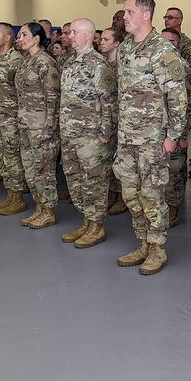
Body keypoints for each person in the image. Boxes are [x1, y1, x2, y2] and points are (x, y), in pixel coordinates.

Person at [114, 0, 188, 275]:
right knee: (130, 194)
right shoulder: (124, 49)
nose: (124, 17)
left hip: (153, 139)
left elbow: (177, 97)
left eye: (130, 12)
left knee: (152, 196)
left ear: (146, 14)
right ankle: (143, 242)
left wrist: (173, 135)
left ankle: (158, 249)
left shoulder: (163, 50)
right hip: (127, 138)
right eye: (123, 12)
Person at [58, 18, 116, 247]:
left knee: (94, 182)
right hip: (70, 134)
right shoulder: (70, 63)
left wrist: (105, 133)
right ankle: (87, 220)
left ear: (88, 36)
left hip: (91, 136)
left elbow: (109, 102)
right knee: (75, 179)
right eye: (70, 31)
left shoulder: (99, 66)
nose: (69, 35)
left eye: (74, 32)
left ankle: (97, 226)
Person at [15, 22, 61, 228]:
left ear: (36, 39)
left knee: (44, 171)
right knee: (30, 169)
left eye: (24, 35)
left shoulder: (45, 63)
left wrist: (49, 128)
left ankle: (48, 211)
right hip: (26, 124)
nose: (20, 38)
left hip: (41, 126)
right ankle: (39, 207)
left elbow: (53, 97)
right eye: (19, 35)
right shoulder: (27, 61)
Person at [0, 22, 28, 215]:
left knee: (12, 158)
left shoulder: (17, 61)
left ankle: (18, 198)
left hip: (11, 119)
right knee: (2, 158)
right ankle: (10, 195)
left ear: (7, 37)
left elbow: (23, 94)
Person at [161, 27, 191, 226]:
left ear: (177, 44)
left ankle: (173, 208)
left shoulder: (181, 66)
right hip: (158, 129)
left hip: (175, 129)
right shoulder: (157, 63)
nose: (165, 45)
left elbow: (186, 103)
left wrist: (181, 135)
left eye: (170, 41)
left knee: (174, 171)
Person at [99, 27, 127, 215]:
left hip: (119, 118)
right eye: (100, 39)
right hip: (105, 119)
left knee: (119, 160)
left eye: (106, 39)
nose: (101, 42)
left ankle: (120, 197)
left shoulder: (122, 66)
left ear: (116, 43)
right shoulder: (102, 65)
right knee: (107, 159)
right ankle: (110, 193)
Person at [163, 7, 191, 79]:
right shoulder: (161, 39)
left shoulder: (187, 45)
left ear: (179, 21)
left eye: (170, 18)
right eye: (165, 17)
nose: (166, 20)